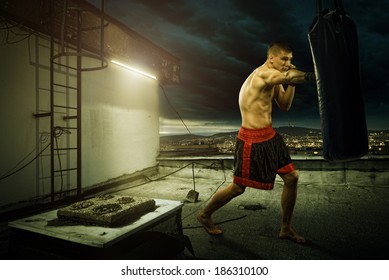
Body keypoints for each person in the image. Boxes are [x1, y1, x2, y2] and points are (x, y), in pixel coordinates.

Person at [197, 41, 315, 244]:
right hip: (251, 141)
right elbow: (287, 75)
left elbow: (285, 104)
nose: (288, 63)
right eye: (284, 59)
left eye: (290, 60)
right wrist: (313, 76)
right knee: (237, 188)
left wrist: (292, 83)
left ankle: (285, 228)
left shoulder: (275, 78)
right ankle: (205, 215)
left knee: (291, 178)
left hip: (270, 137)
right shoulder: (262, 74)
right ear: (271, 58)